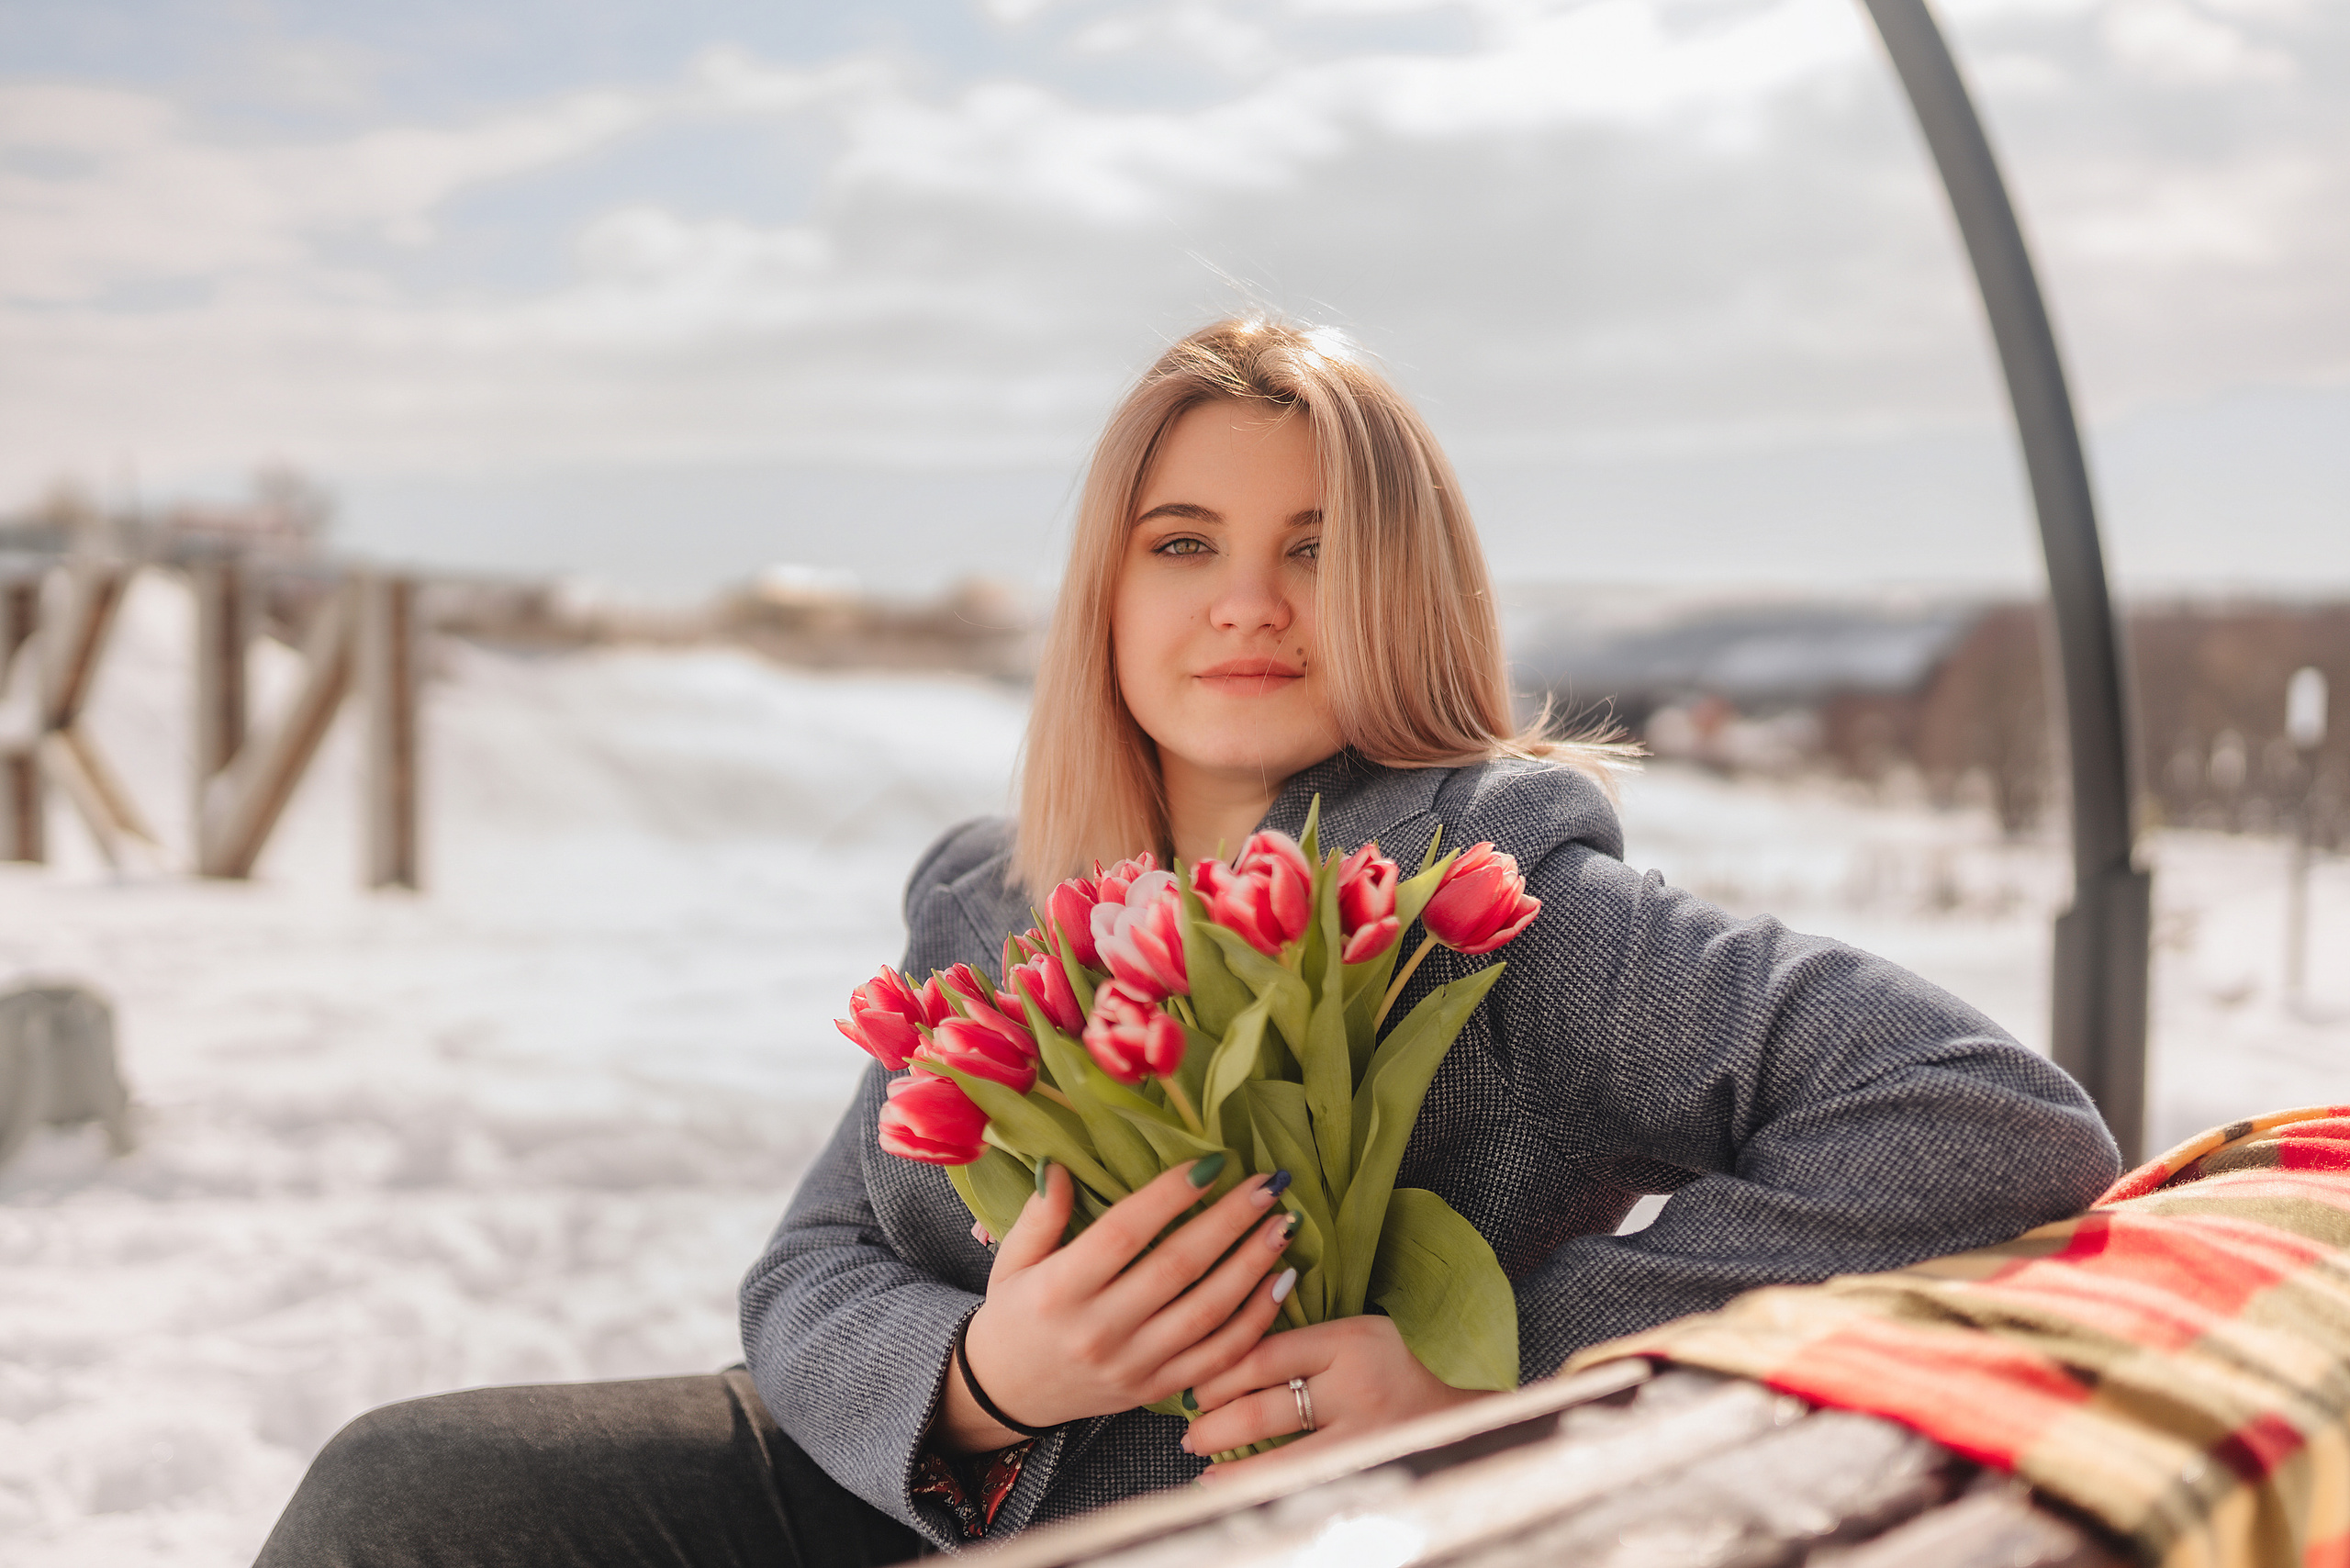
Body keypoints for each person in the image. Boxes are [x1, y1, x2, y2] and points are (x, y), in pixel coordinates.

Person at [255, 319, 2121, 1567]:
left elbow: (1981, 1117)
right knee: (406, 1492)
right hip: (921, 1482)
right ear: (1107, 592)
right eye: (1180, 540)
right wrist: (988, 1371)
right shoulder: (995, 895)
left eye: (1313, 544)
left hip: (1224, 1532)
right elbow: (817, 1259)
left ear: (1404, 583)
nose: (1242, 600)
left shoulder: (1501, 896)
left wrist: (1502, 1359)